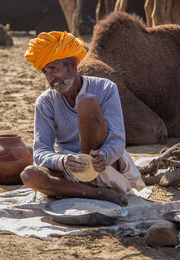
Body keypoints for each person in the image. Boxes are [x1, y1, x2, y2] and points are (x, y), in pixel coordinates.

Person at [21, 31, 145, 207]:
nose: (50, 79)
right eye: (45, 72)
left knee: (85, 101)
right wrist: (63, 161)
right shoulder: (45, 101)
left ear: (72, 64)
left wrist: (105, 155)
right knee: (29, 175)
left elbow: (117, 138)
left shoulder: (105, 88)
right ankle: (98, 194)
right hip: (69, 169)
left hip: (102, 164)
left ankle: (75, 189)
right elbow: (41, 151)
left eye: (53, 70)